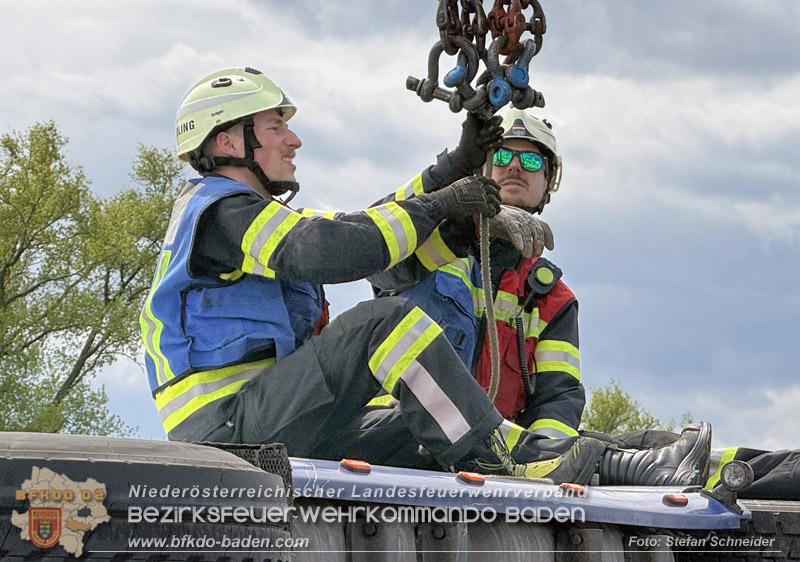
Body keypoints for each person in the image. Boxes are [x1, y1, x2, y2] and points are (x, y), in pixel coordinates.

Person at [139, 66, 605, 480]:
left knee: (424, 427)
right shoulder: (220, 214)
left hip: (272, 422)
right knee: (384, 323)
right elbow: (341, 246)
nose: (293, 139)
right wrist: (443, 203)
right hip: (229, 434)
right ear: (229, 141)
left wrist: (454, 165)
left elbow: (363, 224)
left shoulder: (259, 222)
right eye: (276, 126)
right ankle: (502, 462)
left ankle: (550, 458)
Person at [369, 108, 712, 487]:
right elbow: (372, 243)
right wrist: (456, 199)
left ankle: (748, 467)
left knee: (640, 444)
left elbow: (557, 400)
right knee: (605, 455)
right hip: (400, 441)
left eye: (531, 159)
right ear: (481, 171)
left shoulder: (551, 299)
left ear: (548, 183)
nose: (514, 166)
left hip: (492, 463)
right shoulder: (435, 248)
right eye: (501, 155)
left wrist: (546, 461)